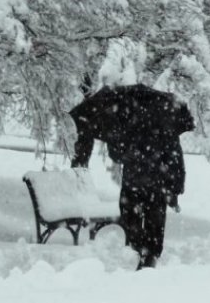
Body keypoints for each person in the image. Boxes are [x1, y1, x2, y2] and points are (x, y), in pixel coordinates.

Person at [71, 92, 193, 270]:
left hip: (134, 182)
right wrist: (175, 189)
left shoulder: (127, 124)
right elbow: (175, 160)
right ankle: (150, 255)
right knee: (154, 222)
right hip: (156, 184)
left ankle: (142, 250)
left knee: (132, 218)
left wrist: (122, 147)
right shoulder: (165, 125)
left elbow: (117, 155)